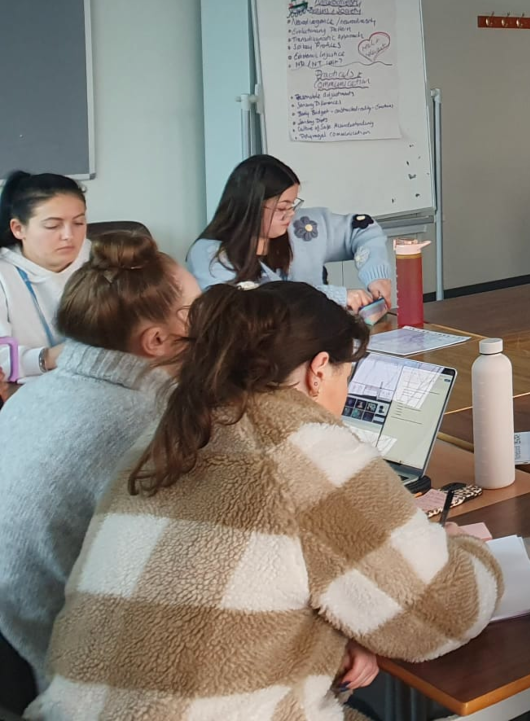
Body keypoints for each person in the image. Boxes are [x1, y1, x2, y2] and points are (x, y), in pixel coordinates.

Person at [31, 281, 502, 718]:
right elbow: (442, 614)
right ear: (319, 370)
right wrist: (465, 547)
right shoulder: (305, 450)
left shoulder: (167, 434)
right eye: (346, 377)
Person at [0, 232, 199, 694]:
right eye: (200, 312)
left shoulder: (34, 395)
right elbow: (188, 576)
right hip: (62, 664)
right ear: (156, 340)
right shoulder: (146, 429)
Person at [187, 154, 394, 311]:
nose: (290, 215)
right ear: (251, 207)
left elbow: (363, 228)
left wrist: (376, 276)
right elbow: (253, 305)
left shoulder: (302, 227)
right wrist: (335, 296)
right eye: (281, 208)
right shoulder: (210, 254)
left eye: (293, 204)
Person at [0, 171, 90, 383]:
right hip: (25, 395)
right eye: (53, 226)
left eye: (78, 223)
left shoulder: (100, 259)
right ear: (18, 229)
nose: (69, 235)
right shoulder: (4, 275)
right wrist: (51, 357)